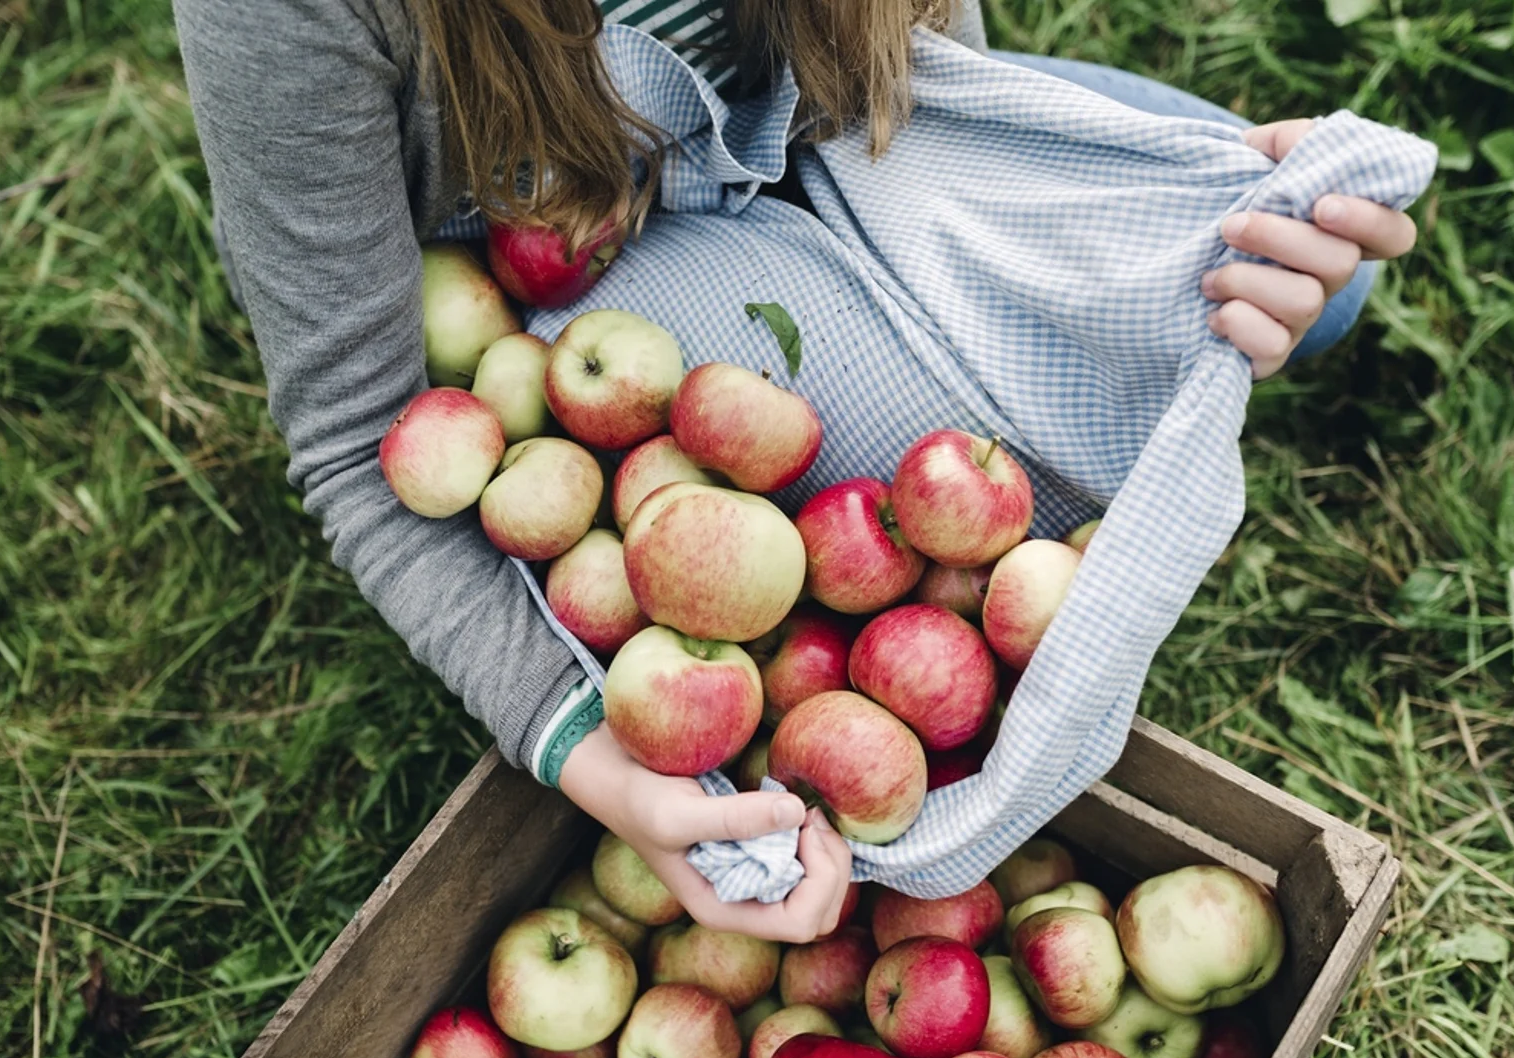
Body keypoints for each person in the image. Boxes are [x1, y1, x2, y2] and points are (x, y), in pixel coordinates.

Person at [173, 0, 1418, 943]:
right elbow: (354, 445)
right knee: (927, 535)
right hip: (583, 266)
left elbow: (915, 61)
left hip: (819, 126)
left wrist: (1127, 200)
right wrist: (599, 765)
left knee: (1311, 275)